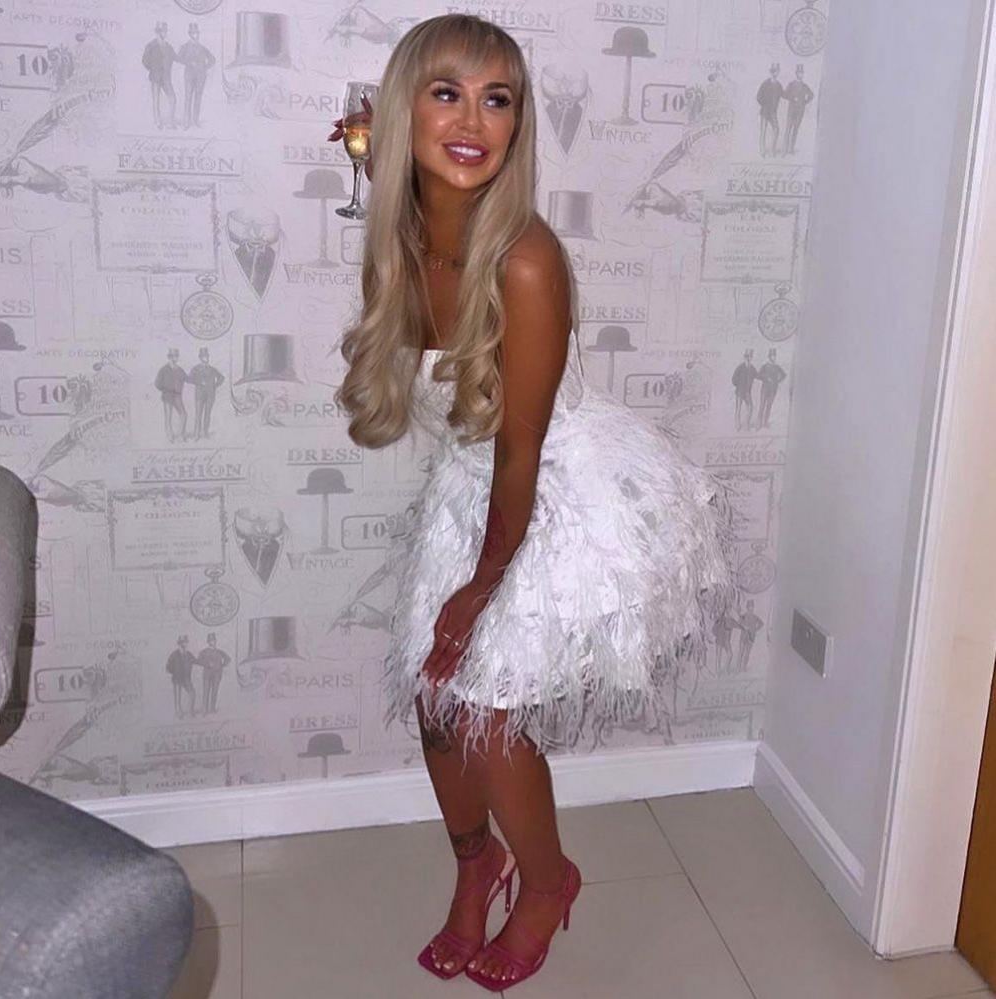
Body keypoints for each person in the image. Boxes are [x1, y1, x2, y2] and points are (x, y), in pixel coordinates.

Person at [330, 14, 737, 991]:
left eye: (498, 99)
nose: (475, 120)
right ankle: (481, 867)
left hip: (550, 487)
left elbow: (522, 451)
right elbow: (383, 153)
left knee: (492, 711)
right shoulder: (406, 217)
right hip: (472, 481)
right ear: (402, 114)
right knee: (437, 710)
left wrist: (481, 587)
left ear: (520, 123)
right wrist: (367, 145)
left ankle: (548, 883)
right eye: (446, 93)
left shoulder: (526, 259)